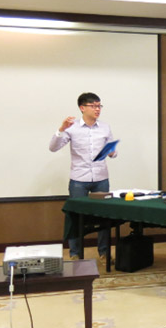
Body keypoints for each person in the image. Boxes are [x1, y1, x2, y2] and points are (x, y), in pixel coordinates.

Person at [49, 92, 117, 259]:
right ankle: (75, 253)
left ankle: (104, 252)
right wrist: (61, 129)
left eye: (99, 106)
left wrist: (112, 152)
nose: (97, 109)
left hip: (101, 178)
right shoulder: (71, 128)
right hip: (79, 179)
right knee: (76, 217)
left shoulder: (105, 127)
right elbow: (53, 148)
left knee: (103, 216)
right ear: (82, 108)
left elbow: (113, 152)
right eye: (93, 106)